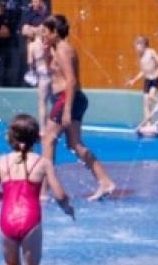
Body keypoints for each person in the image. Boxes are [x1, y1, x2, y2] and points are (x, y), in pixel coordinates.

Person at [0, 114, 72, 265]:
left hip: (7, 217)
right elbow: (60, 195)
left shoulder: (3, 161)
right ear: (36, 138)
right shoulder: (42, 162)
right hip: (30, 218)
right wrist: (68, 209)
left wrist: (5, 198)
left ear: (11, 137)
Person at [42, 14, 116, 201]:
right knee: (75, 144)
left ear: (55, 32)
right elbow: (51, 73)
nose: (42, 35)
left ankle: (44, 191)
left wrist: (66, 110)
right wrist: (45, 52)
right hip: (70, 99)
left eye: (45, 32)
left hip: (68, 98)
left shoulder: (63, 49)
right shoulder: (55, 49)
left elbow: (71, 80)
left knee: (48, 139)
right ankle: (105, 182)